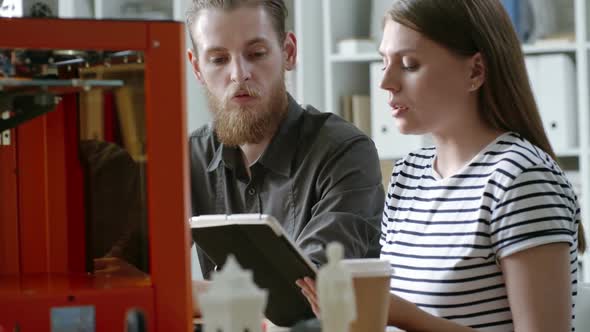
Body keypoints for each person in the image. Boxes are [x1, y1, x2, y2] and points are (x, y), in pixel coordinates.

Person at [297, 1, 587, 331]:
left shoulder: (521, 178)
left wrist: (396, 312)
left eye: (408, 64)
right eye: (384, 62)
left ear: (475, 71)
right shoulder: (407, 175)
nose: (386, 82)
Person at [185, 0, 384, 312]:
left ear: (288, 52)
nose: (239, 74)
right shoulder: (189, 156)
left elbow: (303, 292)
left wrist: (182, 293)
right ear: (197, 68)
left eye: (256, 54)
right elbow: (135, 272)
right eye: (219, 59)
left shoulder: (346, 152)